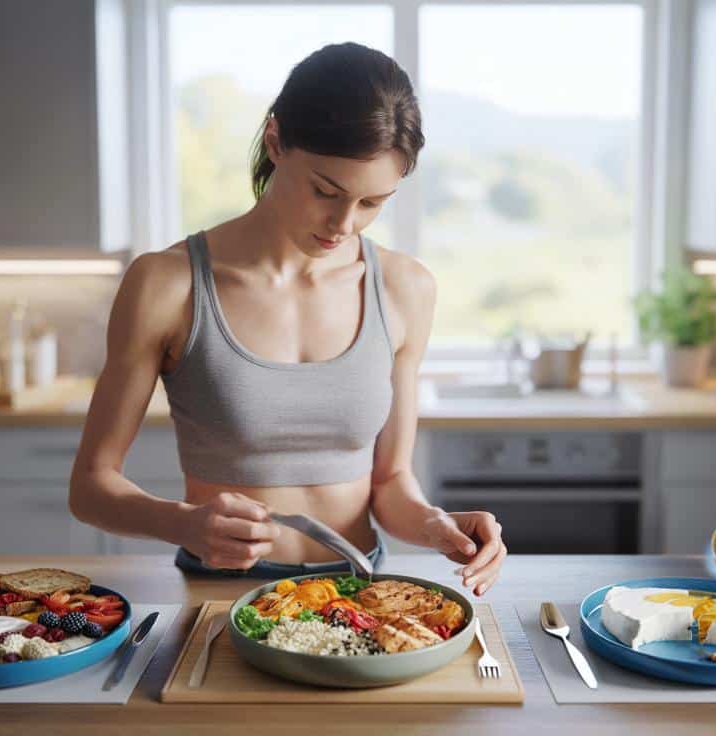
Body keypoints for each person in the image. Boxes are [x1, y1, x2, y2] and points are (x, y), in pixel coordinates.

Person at [69, 42, 507, 596]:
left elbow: (391, 482)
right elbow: (89, 487)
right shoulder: (168, 284)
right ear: (275, 141)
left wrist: (435, 525)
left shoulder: (405, 288)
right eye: (326, 190)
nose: (344, 223)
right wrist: (180, 522)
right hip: (223, 596)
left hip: (360, 592)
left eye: (373, 203)